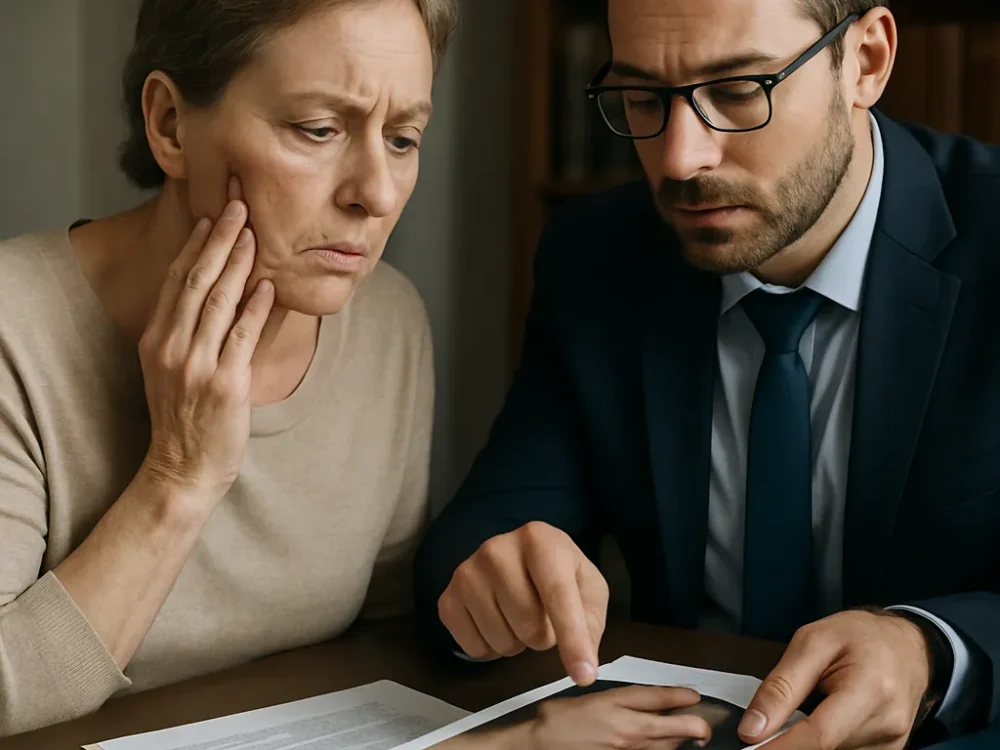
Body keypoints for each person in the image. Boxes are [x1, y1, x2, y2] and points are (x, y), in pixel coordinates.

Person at [413, 1, 1000, 749]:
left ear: (866, 61)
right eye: (643, 97)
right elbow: (480, 533)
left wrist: (931, 648)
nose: (681, 159)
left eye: (737, 91)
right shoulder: (599, 255)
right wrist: (492, 583)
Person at [0, 0, 456, 737]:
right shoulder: (13, 328)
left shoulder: (387, 322)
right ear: (170, 125)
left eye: (403, 139)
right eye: (319, 129)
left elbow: (387, 647)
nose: (374, 193)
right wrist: (179, 477)